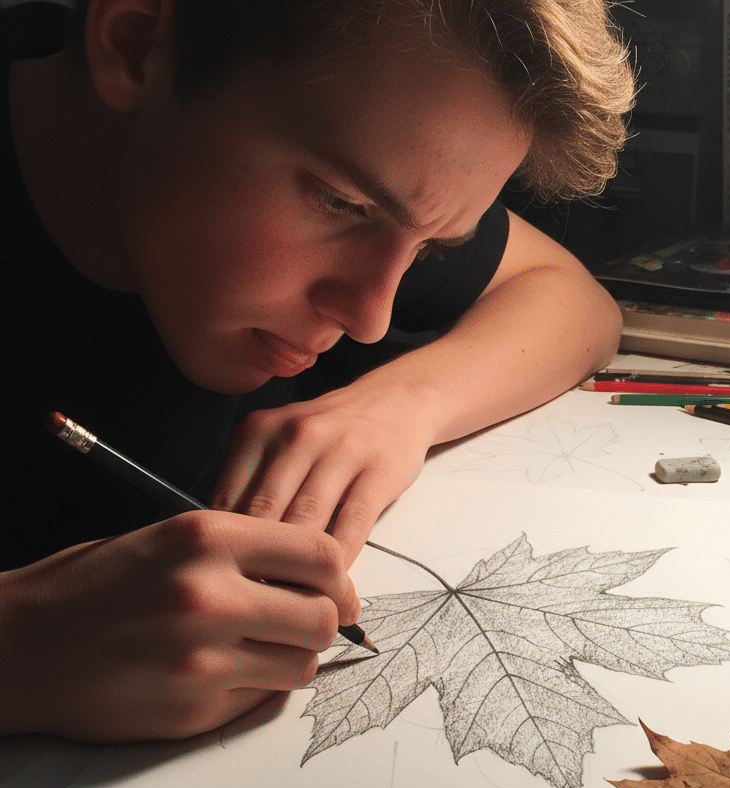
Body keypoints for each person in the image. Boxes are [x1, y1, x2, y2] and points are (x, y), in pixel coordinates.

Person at [0, 0, 634, 742]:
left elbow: (575, 302)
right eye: (342, 202)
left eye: (430, 250)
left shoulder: (384, 144)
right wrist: (18, 649)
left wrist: (402, 405)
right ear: (137, 45)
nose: (370, 316)